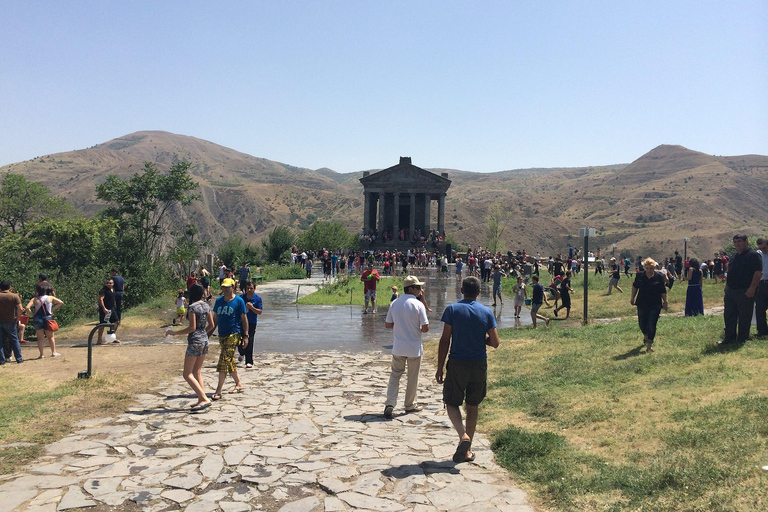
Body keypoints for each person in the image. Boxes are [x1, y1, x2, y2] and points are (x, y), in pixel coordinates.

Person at [435, 276, 499, 464]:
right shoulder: (486, 312)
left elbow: (445, 339)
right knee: (472, 406)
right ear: (479, 292)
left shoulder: (452, 309)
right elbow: (495, 342)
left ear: (461, 291)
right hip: (478, 363)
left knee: (451, 401)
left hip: (457, 363)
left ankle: (463, 435)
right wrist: (482, 339)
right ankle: (468, 451)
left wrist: (440, 367)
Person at [383, 275, 429, 419]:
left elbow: (388, 324)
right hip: (414, 347)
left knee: (395, 375)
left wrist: (401, 326)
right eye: (418, 288)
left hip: (398, 346)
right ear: (411, 289)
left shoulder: (395, 303)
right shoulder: (418, 304)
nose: (420, 290)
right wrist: (414, 328)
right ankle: (409, 404)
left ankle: (390, 402)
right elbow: (425, 327)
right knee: (412, 377)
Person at [165, 283, 213, 411]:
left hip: (195, 341)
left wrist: (175, 333)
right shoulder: (206, 305)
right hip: (204, 340)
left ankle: (203, 398)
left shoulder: (192, 307)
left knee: (187, 373)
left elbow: (192, 327)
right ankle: (201, 398)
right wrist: (204, 333)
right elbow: (211, 325)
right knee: (197, 371)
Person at [207, 278, 247, 399]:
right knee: (229, 361)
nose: (225, 289)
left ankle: (218, 390)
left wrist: (246, 336)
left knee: (224, 360)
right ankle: (238, 384)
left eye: (227, 287)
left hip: (234, 334)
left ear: (233, 287)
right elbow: (215, 319)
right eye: (223, 287)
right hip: (222, 334)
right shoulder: (219, 301)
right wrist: (207, 334)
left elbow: (244, 319)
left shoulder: (239, 301)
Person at [721, 234, 762, 345]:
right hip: (731, 290)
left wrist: (752, 288)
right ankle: (729, 338)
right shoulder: (735, 256)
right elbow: (730, 271)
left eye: (739, 241)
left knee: (744, 316)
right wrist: (727, 286)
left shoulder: (753, 255)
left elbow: (758, 272)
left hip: (745, 290)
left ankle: (742, 339)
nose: (737, 244)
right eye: (735, 242)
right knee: (729, 315)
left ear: (746, 241)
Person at [630, 258, 668, 353]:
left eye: (651, 268)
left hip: (655, 304)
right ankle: (646, 334)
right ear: (644, 268)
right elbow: (635, 287)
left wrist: (665, 301)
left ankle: (649, 345)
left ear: (654, 268)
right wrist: (632, 298)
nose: (649, 270)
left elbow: (663, 290)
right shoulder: (640, 276)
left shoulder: (659, 276)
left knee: (652, 324)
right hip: (642, 303)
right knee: (642, 324)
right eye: (647, 268)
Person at [25, 283, 64, 358]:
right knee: (51, 337)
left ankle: (41, 354)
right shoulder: (50, 297)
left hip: (37, 318)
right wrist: (53, 309)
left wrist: (32, 314)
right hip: (48, 318)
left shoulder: (34, 299)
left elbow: (27, 308)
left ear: (37, 291)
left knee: (40, 338)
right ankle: (53, 352)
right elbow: (61, 302)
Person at [238, 282, 262, 369]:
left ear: (254, 289)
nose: (249, 290)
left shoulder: (257, 298)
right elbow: (237, 309)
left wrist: (252, 308)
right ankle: (242, 352)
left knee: (250, 340)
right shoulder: (241, 298)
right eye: (247, 288)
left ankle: (249, 361)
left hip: (252, 322)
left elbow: (259, 312)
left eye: (251, 288)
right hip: (241, 322)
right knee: (239, 340)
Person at [0, 281, 23, 364]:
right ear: (9, 287)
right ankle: (19, 359)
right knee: (14, 340)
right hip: (10, 321)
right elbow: (20, 309)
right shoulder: (14, 296)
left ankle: (1, 360)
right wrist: (17, 317)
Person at [96, 277, 119, 345]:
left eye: (110, 283)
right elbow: (100, 299)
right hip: (105, 309)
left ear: (113, 284)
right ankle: (99, 340)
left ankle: (112, 337)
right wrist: (104, 308)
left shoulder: (113, 289)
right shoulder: (103, 290)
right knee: (102, 324)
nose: (108, 284)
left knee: (116, 321)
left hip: (111, 308)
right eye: (107, 283)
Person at [755, 238, 768, 337]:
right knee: (760, 308)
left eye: (764, 247)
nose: (763, 250)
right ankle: (762, 331)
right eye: (761, 248)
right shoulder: (758, 254)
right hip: (761, 283)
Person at [109, 268, 125, 340]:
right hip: (121, 293)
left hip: (115, 293)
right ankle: (118, 319)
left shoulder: (113, 278)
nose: (110, 273)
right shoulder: (122, 278)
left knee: (112, 306)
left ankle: (113, 319)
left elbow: (111, 286)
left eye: (111, 272)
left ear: (114, 272)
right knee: (119, 308)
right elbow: (123, 287)